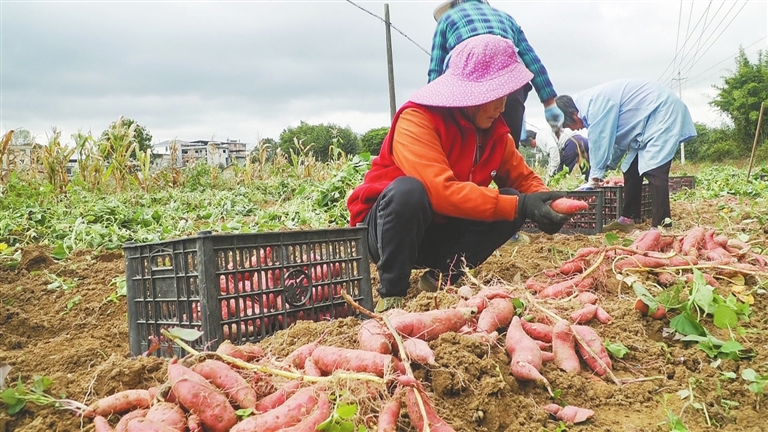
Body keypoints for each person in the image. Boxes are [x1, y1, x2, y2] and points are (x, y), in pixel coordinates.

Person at [347, 35, 570, 312]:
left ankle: (443, 275)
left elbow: (522, 179)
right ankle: (392, 293)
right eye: (497, 97)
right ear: (473, 92)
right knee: (410, 191)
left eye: (506, 98)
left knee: (514, 200)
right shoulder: (417, 120)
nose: (502, 107)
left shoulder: (495, 133)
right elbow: (440, 192)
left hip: (440, 229)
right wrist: (520, 204)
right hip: (388, 233)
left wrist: (543, 203)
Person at [555, 79, 697, 232]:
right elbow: (617, 142)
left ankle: (662, 226)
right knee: (631, 169)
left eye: (570, 125)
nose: (575, 130)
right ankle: (628, 218)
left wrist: (594, 178)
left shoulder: (594, 106)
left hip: (662, 111)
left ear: (574, 114)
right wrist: (609, 165)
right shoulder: (589, 107)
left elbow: (600, 141)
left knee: (655, 170)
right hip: (647, 123)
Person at [429, 0, 564, 149]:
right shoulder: (507, 19)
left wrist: (432, 113)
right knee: (508, 157)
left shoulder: (446, 19)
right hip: (509, 90)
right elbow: (533, 62)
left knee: (468, 154)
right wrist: (549, 103)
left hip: (468, 92)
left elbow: (436, 72)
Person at [521, 128, 590, 182]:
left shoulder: (540, 138)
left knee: (560, 174)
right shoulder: (544, 133)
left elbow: (553, 149)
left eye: (528, 145)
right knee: (588, 173)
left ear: (530, 139)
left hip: (572, 143)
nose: (530, 147)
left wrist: (552, 172)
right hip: (582, 140)